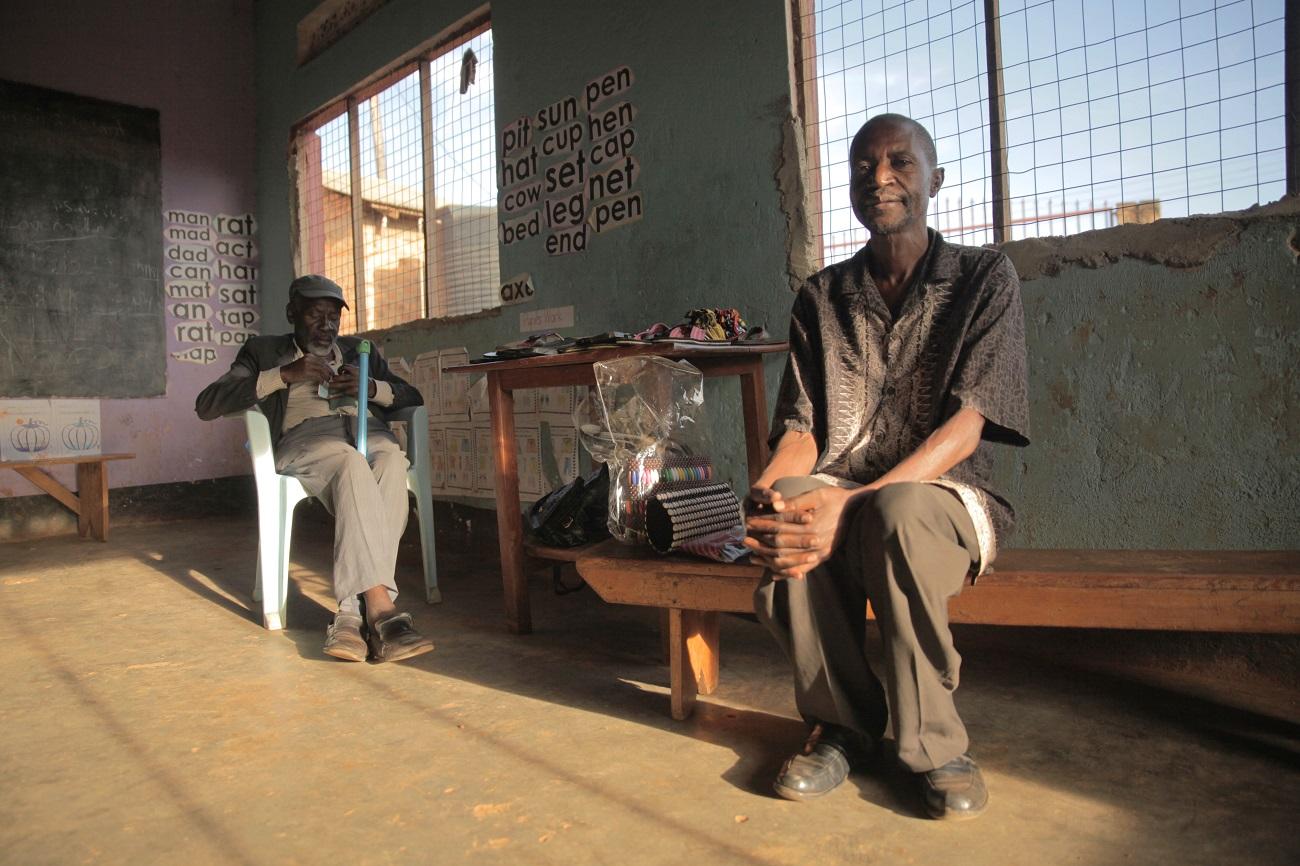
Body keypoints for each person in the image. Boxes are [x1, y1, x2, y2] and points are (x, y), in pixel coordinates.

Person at [745, 114, 1029, 820]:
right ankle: (842, 725)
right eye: (863, 167)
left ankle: (933, 745)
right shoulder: (820, 296)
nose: (880, 178)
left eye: (900, 161)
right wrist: (767, 488)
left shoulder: (984, 277)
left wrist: (858, 499)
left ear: (935, 178)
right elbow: (803, 432)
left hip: (943, 496)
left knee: (894, 512)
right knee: (789, 511)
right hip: (846, 488)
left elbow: (966, 429)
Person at [196, 274, 434, 664]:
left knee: (391, 460)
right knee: (351, 461)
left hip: (366, 432)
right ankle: (379, 606)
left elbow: (412, 395)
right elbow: (209, 403)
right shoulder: (263, 350)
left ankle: (351, 615)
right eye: (314, 315)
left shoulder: (362, 352)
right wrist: (285, 375)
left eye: (333, 317)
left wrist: (369, 387)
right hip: (307, 441)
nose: (326, 326)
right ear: (292, 313)